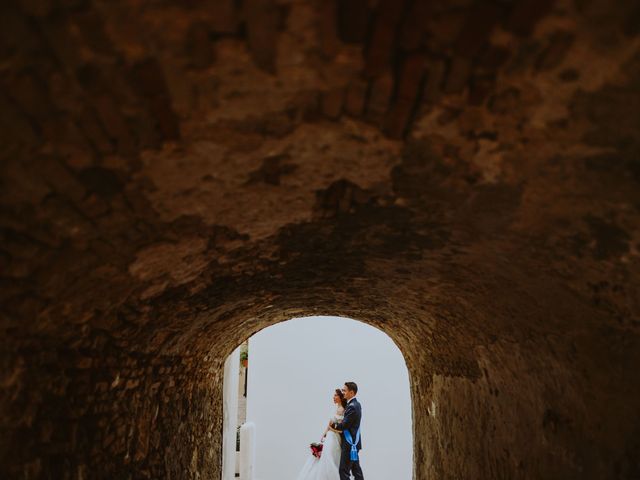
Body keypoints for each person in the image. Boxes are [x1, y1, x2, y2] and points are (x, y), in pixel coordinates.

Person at [295, 388, 346, 480]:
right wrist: (324, 435)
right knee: (324, 456)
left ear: (340, 397)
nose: (333, 397)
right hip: (329, 436)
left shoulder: (342, 410)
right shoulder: (336, 408)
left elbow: (339, 428)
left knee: (329, 457)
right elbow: (330, 424)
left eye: (335, 395)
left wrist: (330, 429)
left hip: (334, 437)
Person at [332, 382, 364, 480]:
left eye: (344, 390)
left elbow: (344, 425)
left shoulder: (352, 406)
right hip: (354, 444)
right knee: (356, 471)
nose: (343, 392)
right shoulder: (356, 404)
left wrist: (333, 425)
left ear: (351, 392)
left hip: (350, 444)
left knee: (343, 471)